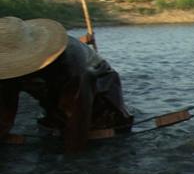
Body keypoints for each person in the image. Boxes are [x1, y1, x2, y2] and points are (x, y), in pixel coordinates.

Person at [0, 17, 133, 153]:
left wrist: (71, 161)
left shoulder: (72, 63)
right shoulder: (6, 70)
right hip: (56, 104)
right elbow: (6, 107)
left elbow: (78, 117)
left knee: (86, 145)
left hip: (100, 107)